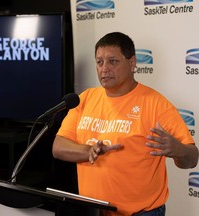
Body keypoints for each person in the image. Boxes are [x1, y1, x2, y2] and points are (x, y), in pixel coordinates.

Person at [52, 32, 199, 216]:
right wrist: (88, 151)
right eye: (99, 62)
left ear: (132, 63)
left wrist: (178, 149)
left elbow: (192, 159)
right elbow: (58, 147)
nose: (104, 69)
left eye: (113, 61)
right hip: (93, 211)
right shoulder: (85, 99)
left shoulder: (156, 104)